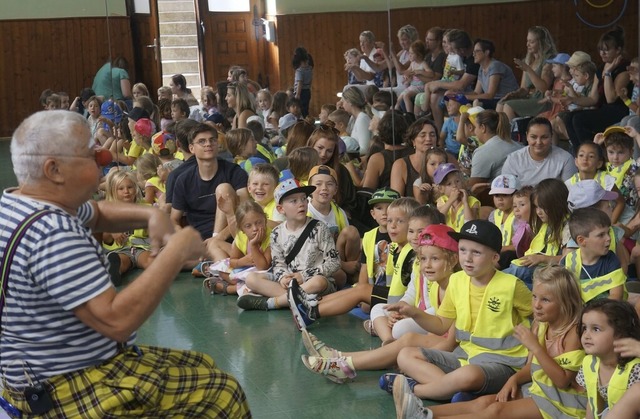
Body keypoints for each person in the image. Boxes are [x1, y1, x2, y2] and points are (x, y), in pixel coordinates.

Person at [0, 110, 250, 417]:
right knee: (223, 393)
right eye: (91, 157)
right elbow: (115, 322)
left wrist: (151, 214)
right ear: (54, 170)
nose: (103, 161)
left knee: (201, 365)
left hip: (33, 370)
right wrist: (177, 251)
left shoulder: (22, 203)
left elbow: (96, 212)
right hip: (67, 383)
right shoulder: (54, 235)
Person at [396, 265, 587, 419]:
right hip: (540, 389)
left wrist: (535, 347)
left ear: (565, 302)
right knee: (484, 403)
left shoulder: (574, 333)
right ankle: (422, 413)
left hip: (563, 403)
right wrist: (514, 379)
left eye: (545, 300)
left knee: (495, 412)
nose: (536, 305)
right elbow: (534, 367)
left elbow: (562, 380)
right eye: (535, 297)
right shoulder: (543, 325)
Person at [386, 220, 532, 401]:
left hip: (502, 362)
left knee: (468, 375)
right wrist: (412, 312)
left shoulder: (512, 285)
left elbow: (541, 317)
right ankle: (453, 391)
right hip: (465, 355)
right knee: (406, 355)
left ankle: (413, 390)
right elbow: (440, 326)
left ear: (495, 257)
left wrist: (532, 353)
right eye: (462, 250)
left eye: (476, 253)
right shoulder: (456, 280)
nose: (467, 258)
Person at [299, 222, 457, 384]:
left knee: (406, 342)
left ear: (453, 260)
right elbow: (436, 332)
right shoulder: (438, 285)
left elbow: (449, 343)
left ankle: (340, 361)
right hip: (440, 342)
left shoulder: (456, 286)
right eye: (423, 259)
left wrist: (421, 355)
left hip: (456, 351)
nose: (427, 265)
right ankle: (339, 358)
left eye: (435, 259)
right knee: (404, 343)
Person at [287, 198, 421, 330]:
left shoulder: (412, 253)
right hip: (393, 297)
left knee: (361, 290)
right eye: (390, 220)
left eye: (400, 221)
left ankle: (311, 313)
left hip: (400, 303)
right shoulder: (396, 247)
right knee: (358, 289)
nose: (392, 225)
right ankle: (311, 304)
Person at [237, 179, 340, 313]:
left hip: (313, 282)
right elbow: (278, 263)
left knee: (318, 282)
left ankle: (273, 302)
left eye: (304, 199)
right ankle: (302, 300)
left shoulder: (320, 228)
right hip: (290, 282)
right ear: (281, 209)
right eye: (294, 201)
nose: (301, 204)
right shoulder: (276, 233)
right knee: (251, 279)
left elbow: (334, 262)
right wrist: (283, 277)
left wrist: (303, 276)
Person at [170, 123, 249, 240]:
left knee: (223, 189)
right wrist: (189, 240)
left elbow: (246, 209)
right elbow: (174, 220)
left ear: (217, 144)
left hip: (232, 237)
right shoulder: (183, 180)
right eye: (202, 141)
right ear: (192, 148)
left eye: (212, 140)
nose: (208, 144)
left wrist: (216, 239)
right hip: (198, 240)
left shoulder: (235, 172)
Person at [577, 299, 640, 419]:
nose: (586, 335)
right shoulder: (589, 363)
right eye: (585, 328)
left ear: (620, 333)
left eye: (596, 329)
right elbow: (592, 402)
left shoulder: (635, 370)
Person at [504, 178, 570, 288]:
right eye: (536, 206)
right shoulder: (546, 223)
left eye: (543, 207)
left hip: (556, 275)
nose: (538, 212)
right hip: (541, 270)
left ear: (557, 204)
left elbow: (567, 261)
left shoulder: (569, 226)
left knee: (514, 273)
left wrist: (541, 258)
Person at [562, 207, 626, 302]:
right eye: (601, 235)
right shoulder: (567, 263)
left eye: (608, 232)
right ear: (582, 240)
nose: (608, 238)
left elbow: (616, 296)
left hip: (607, 312)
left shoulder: (611, 259)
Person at [498, 26, 557, 120]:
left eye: (531, 42)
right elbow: (524, 88)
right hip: (530, 97)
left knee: (509, 106)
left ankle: (509, 134)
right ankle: (500, 133)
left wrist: (528, 70)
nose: (528, 44)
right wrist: (515, 94)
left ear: (541, 42)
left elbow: (543, 88)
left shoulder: (548, 60)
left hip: (542, 99)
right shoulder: (528, 60)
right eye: (527, 41)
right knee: (501, 103)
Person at [501, 117, 576, 186]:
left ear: (551, 137)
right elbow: (506, 191)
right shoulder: (513, 159)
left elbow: (571, 192)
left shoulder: (566, 159)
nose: (539, 142)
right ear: (527, 136)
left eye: (544, 137)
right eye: (533, 137)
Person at [464, 39, 520, 110]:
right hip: (495, 100)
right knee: (464, 102)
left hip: (505, 100)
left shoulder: (495, 65)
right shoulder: (481, 68)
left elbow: (490, 95)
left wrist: (467, 97)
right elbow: (476, 92)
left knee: (477, 103)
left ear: (487, 52)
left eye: (477, 51)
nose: (473, 54)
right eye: (473, 51)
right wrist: (460, 95)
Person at [391, 118, 439, 199]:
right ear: (413, 141)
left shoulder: (448, 159)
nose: (428, 139)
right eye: (422, 135)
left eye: (432, 135)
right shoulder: (400, 165)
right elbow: (396, 200)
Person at [434, 163, 480, 232]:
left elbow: (470, 224)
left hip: (465, 238)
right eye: (449, 184)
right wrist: (451, 200)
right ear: (441, 189)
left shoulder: (472, 201)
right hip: (447, 239)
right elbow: (438, 219)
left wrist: (465, 203)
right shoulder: (442, 201)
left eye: (457, 181)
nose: (454, 185)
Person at [293, 47, 313, 118]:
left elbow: (300, 83)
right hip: (307, 90)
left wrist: (297, 95)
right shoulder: (309, 69)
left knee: (300, 109)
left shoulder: (299, 71)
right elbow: (310, 80)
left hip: (301, 92)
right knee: (306, 108)